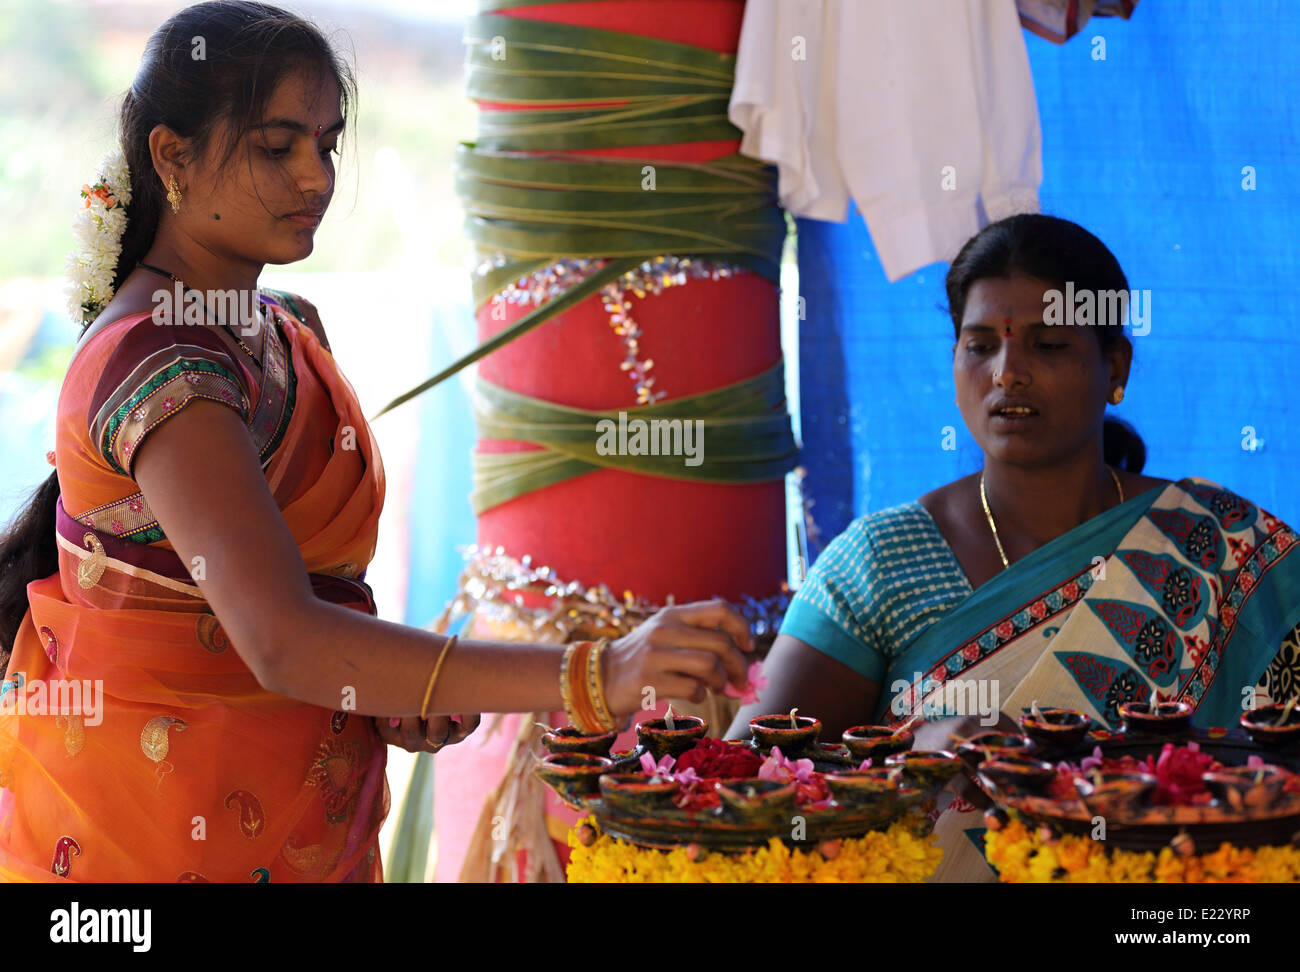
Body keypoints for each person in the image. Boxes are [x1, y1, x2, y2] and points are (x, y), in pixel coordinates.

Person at [0, 1, 753, 883]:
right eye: (276, 147)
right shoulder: (161, 366)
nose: (316, 177)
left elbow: (307, 611)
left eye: (327, 143)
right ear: (172, 157)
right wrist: (599, 672)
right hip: (164, 835)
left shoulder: (286, 330)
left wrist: (384, 692)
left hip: (308, 809)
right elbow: (282, 640)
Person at [727, 213, 1300, 881]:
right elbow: (742, 787)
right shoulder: (882, 560)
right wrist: (910, 761)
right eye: (979, 346)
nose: (1008, 373)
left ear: (1114, 367)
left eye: (1048, 344)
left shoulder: (1220, 544)